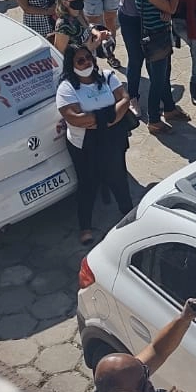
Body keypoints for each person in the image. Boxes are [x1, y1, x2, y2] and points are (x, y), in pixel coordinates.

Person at [56, 42, 134, 244]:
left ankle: (128, 213)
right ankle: (85, 226)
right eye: (80, 60)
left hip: (112, 138)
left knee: (118, 175)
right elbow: (74, 118)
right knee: (88, 183)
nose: (86, 63)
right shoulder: (67, 88)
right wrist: (108, 116)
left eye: (88, 58)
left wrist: (99, 119)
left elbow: (124, 100)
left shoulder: (107, 76)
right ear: (71, 64)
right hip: (85, 144)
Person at [133, 0, 186, 136]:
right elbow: (171, 8)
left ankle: (170, 108)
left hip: (154, 36)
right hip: (157, 40)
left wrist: (164, 12)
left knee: (164, 76)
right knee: (157, 81)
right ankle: (154, 120)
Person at [115, 0, 167, 112]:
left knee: (155, 59)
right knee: (136, 58)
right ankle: (133, 97)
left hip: (151, 19)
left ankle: (158, 96)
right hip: (130, 19)